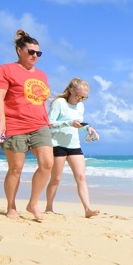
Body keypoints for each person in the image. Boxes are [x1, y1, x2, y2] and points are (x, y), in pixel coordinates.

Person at [0, 29, 54, 221]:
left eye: (38, 53)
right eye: (31, 52)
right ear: (19, 50)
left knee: (47, 164)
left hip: (39, 125)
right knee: (16, 168)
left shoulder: (42, 75)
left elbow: (38, 101)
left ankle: (33, 203)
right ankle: (11, 206)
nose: (35, 56)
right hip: (14, 125)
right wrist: (1, 120)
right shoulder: (5, 70)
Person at [45, 78, 100, 218]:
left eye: (84, 97)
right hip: (57, 144)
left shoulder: (81, 106)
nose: (80, 99)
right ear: (71, 90)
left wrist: (87, 129)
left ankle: (87, 209)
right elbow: (49, 123)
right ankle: (49, 208)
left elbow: (78, 125)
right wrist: (69, 123)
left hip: (74, 145)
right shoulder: (59, 103)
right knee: (56, 179)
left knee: (81, 177)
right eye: (78, 95)